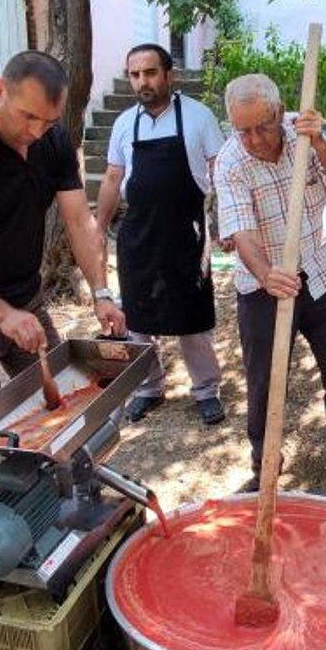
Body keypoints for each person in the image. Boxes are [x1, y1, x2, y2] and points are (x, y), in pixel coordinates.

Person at [0, 50, 126, 494]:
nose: (35, 132)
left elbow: (78, 221)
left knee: (65, 401)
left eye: (48, 121)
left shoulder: (51, 142)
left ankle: (67, 495)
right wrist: (3, 315)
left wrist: (102, 290)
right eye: (28, 116)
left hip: (26, 299)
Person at [213, 73, 326, 500]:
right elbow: (241, 232)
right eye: (242, 129)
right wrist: (266, 273)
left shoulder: (305, 134)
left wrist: (321, 144)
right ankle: (265, 465)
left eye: (262, 127)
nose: (253, 139)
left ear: (278, 111)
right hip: (263, 286)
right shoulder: (231, 161)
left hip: (323, 271)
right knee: (264, 383)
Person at [95, 43, 227, 426]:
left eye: (150, 73)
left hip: (187, 231)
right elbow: (114, 177)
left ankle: (206, 390)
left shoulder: (199, 117)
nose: (143, 82)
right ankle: (148, 388)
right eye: (135, 75)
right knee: (137, 316)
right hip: (138, 234)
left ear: (169, 75)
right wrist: (100, 225)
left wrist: (227, 223)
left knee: (193, 316)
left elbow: (221, 170)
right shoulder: (124, 123)